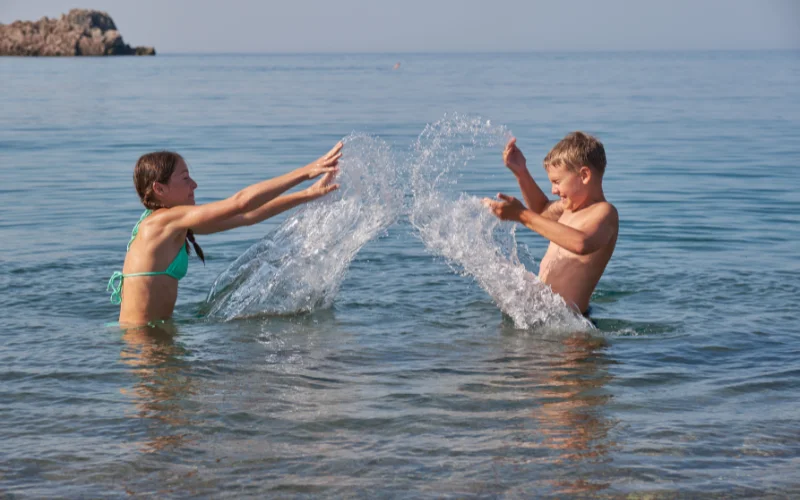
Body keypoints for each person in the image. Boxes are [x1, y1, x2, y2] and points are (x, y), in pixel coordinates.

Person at [108, 142, 343, 325]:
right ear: (160, 189)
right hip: (144, 342)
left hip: (149, 337)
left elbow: (247, 216)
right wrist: (305, 172)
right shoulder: (162, 222)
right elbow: (240, 202)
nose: (194, 185)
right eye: (185, 178)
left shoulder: (168, 225)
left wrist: (307, 194)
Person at [483, 132, 618, 315]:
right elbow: (541, 211)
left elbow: (581, 243)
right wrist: (521, 172)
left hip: (572, 325)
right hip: (544, 316)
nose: (554, 190)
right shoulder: (568, 208)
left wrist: (521, 215)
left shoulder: (605, 213)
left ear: (584, 175)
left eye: (557, 182)